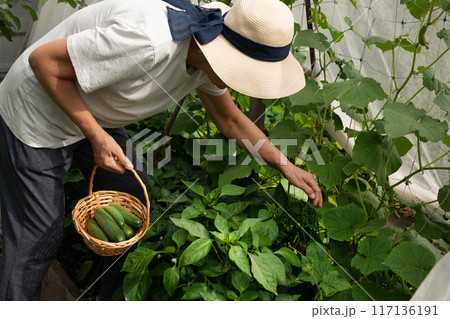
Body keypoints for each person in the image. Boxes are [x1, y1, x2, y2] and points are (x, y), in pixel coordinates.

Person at [0, 0, 323, 300]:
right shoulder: (145, 42)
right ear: (225, 55)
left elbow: (229, 119)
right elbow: (43, 62)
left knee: (132, 198)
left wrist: (285, 164)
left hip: (96, 107)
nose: (242, 82)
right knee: (38, 232)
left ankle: (104, 300)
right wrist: (97, 136)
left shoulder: (215, 45)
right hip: (38, 110)